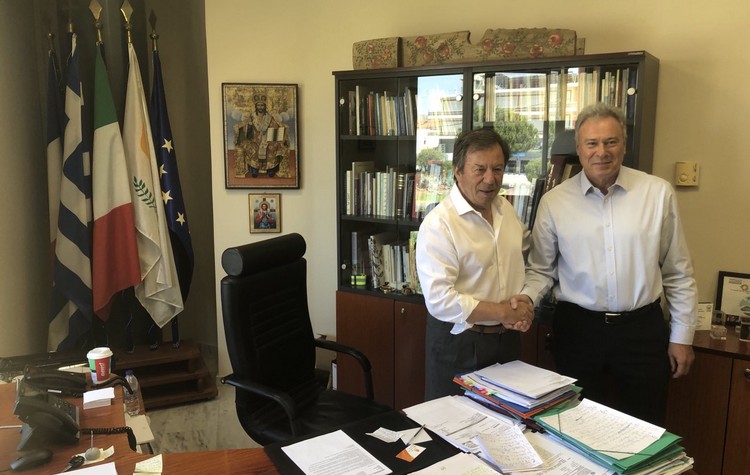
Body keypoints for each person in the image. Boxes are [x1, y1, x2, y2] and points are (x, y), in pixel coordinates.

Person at [521, 102, 698, 425]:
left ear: (624, 146)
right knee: (578, 426)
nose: (601, 152)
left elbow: (678, 271)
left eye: (610, 142)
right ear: (579, 149)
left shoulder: (657, 194)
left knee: (645, 426)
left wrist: (682, 336)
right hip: (578, 331)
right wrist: (524, 301)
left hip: (642, 331)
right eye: (592, 143)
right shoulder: (554, 202)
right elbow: (541, 271)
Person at [416, 128, 534, 401]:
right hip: (459, 343)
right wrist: (504, 312)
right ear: (458, 171)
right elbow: (440, 300)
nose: (490, 179)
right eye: (479, 169)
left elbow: (522, 261)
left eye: (497, 169)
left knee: (508, 420)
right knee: (453, 423)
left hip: (507, 340)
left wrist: (523, 304)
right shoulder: (440, 223)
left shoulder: (506, 210)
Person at [234, 93, 289, 178]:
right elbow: (244, 126)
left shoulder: (269, 117)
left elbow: (275, 126)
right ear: (256, 106)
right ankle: (254, 171)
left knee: (273, 147)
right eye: (258, 105)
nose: (260, 107)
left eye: (262, 105)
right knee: (252, 148)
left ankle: (271, 170)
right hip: (255, 139)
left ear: (265, 106)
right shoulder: (252, 117)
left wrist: (275, 131)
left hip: (268, 138)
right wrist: (248, 126)